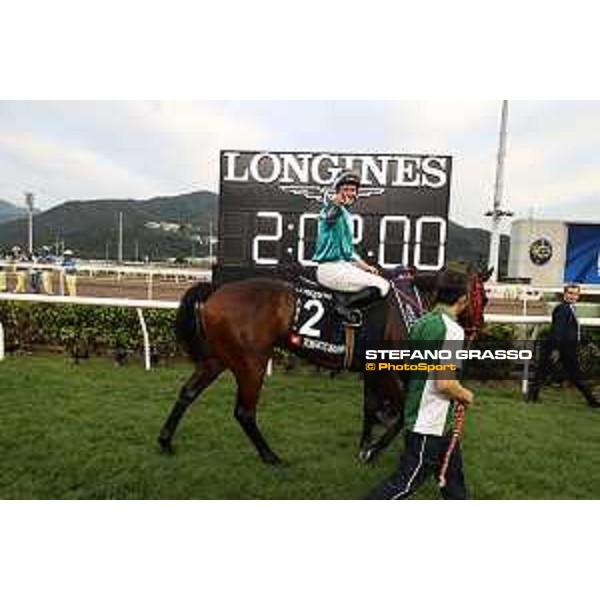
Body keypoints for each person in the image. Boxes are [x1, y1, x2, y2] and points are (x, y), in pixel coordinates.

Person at [364, 270, 474, 500]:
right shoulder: (453, 330)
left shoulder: (422, 321)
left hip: (431, 420)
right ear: (463, 299)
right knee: (403, 485)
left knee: (454, 485)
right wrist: (465, 394)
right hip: (429, 423)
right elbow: (444, 383)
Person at [313, 170, 390, 323]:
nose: (350, 193)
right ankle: (344, 307)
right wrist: (336, 202)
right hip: (330, 269)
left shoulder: (347, 215)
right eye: (345, 189)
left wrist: (366, 267)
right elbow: (329, 216)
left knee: (376, 279)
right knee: (383, 285)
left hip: (342, 267)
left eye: (353, 190)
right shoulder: (330, 208)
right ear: (337, 192)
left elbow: (349, 253)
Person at [527, 284, 600, 408]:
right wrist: (555, 349)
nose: (572, 296)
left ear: (578, 296)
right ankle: (592, 401)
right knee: (549, 373)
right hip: (561, 347)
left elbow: (575, 330)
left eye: (575, 294)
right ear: (564, 294)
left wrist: (589, 343)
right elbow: (558, 330)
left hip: (564, 347)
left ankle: (532, 397)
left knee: (544, 373)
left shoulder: (570, 308)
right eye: (570, 293)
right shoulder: (562, 309)